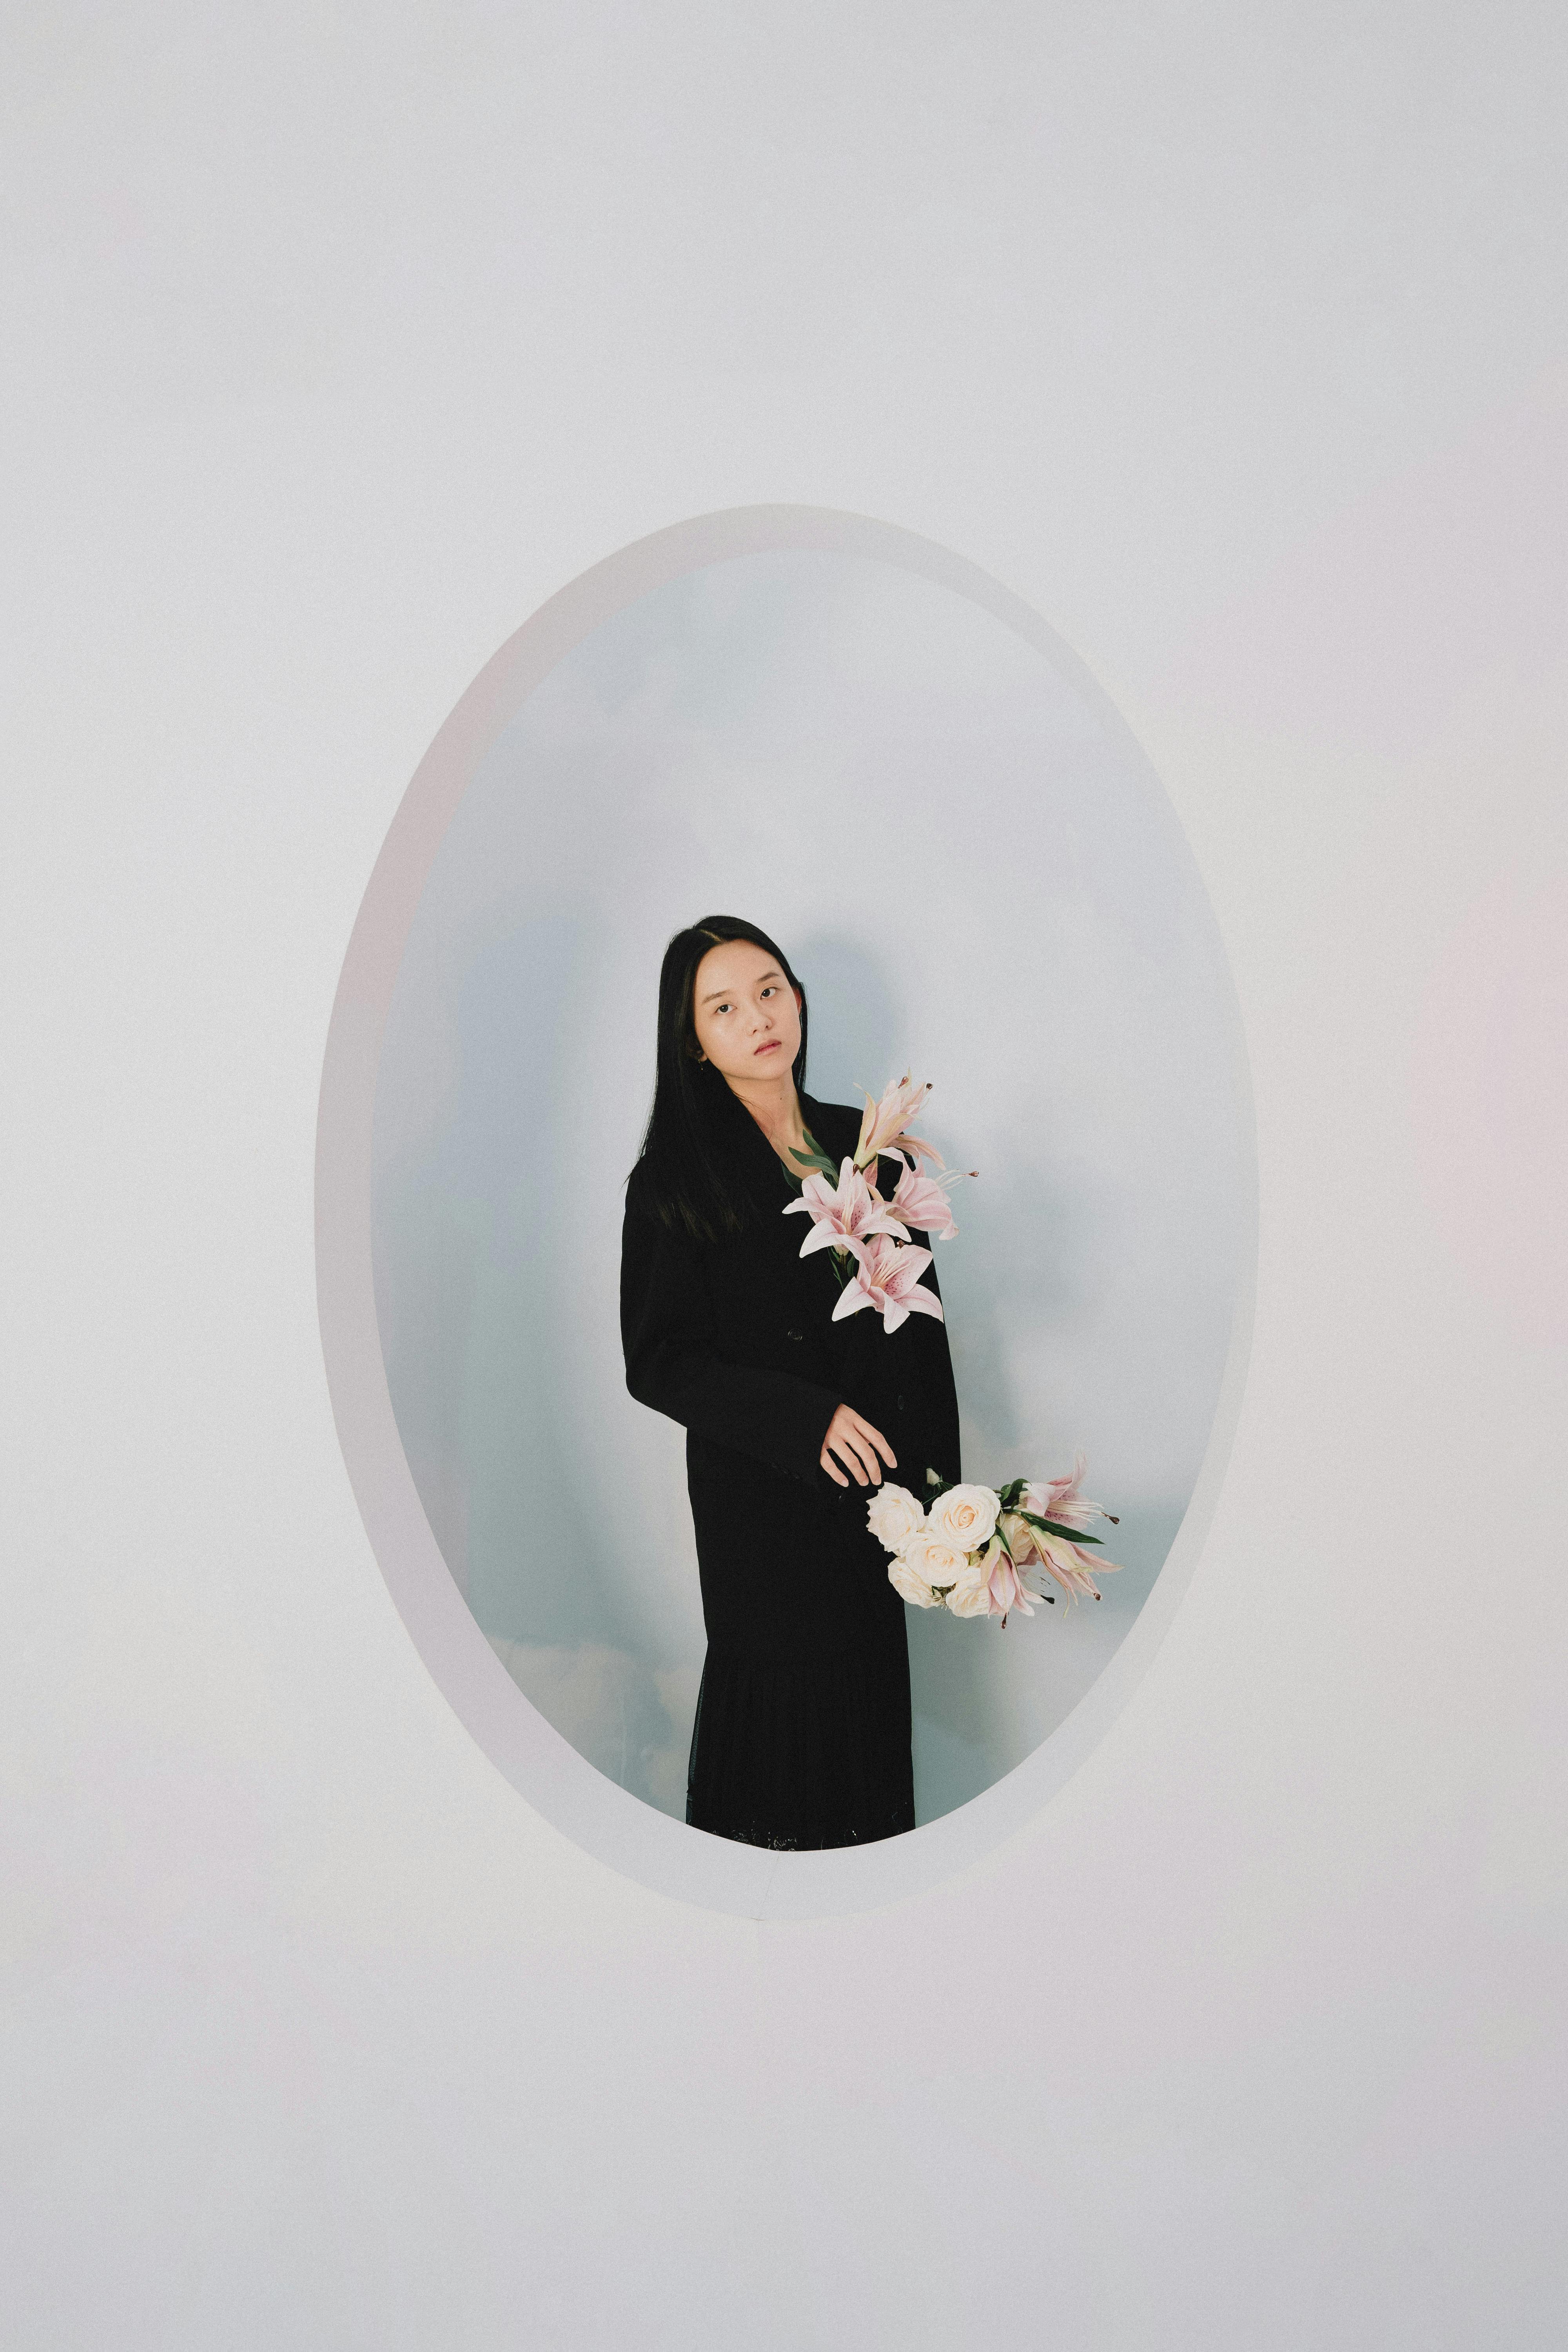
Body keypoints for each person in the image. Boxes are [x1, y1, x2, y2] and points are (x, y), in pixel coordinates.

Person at [619, 916, 961, 1849]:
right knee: (776, 1744)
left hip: (876, 1505)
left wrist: (941, 1507)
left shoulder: (873, 1149)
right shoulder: (671, 1182)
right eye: (723, 1006)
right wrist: (804, 1419)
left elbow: (920, 1337)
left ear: (797, 999)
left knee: (864, 1739)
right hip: (761, 1510)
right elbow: (657, 1361)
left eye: (769, 989)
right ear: (693, 1040)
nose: (757, 1017)